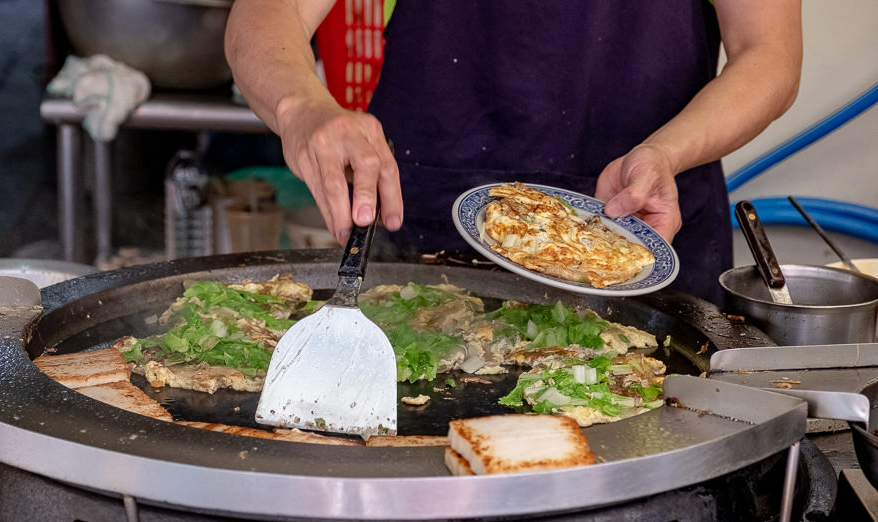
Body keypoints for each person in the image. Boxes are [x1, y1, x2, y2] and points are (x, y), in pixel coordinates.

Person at [225, 1, 802, 305]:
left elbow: (769, 52)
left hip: (642, 233)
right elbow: (266, 14)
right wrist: (302, 107)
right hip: (428, 245)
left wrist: (667, 151)